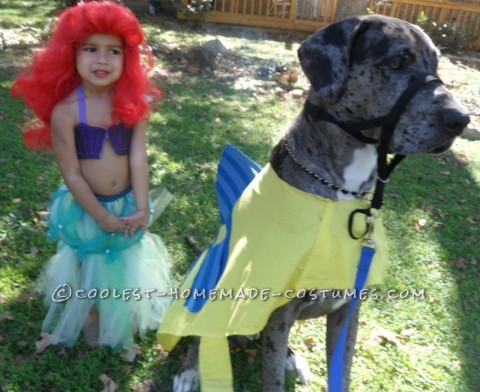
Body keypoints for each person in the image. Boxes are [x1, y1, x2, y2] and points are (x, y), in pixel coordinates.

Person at [11, 1, 173, 351]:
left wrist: (142, 207)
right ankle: (91, 313)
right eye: (91, 49)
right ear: (70, 54)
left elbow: (138, 158)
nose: (102, 59)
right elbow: (71, 172)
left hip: (126, 200)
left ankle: (116, 306)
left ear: (127, 58)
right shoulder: (66, 112)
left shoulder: (131, 104)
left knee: (121, 258)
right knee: (90, 261)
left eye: (113, 51)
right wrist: (100, 215)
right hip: (86, 206)